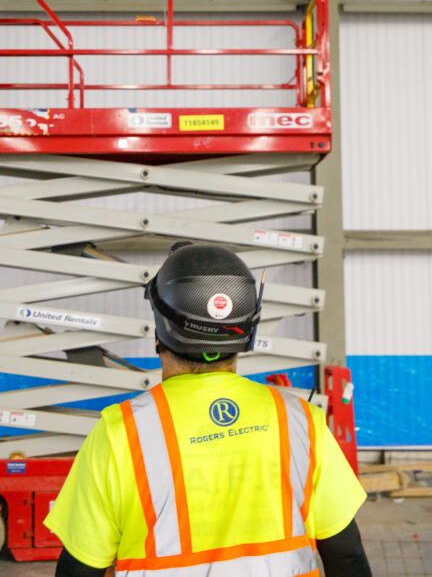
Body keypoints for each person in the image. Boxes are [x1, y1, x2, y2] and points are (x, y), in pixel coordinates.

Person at [44, 243, 372, 577]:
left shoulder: (121, 433)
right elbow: (346, 556)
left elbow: (80, 569)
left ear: (160, 330)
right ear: (247, 329)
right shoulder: (301, 421)